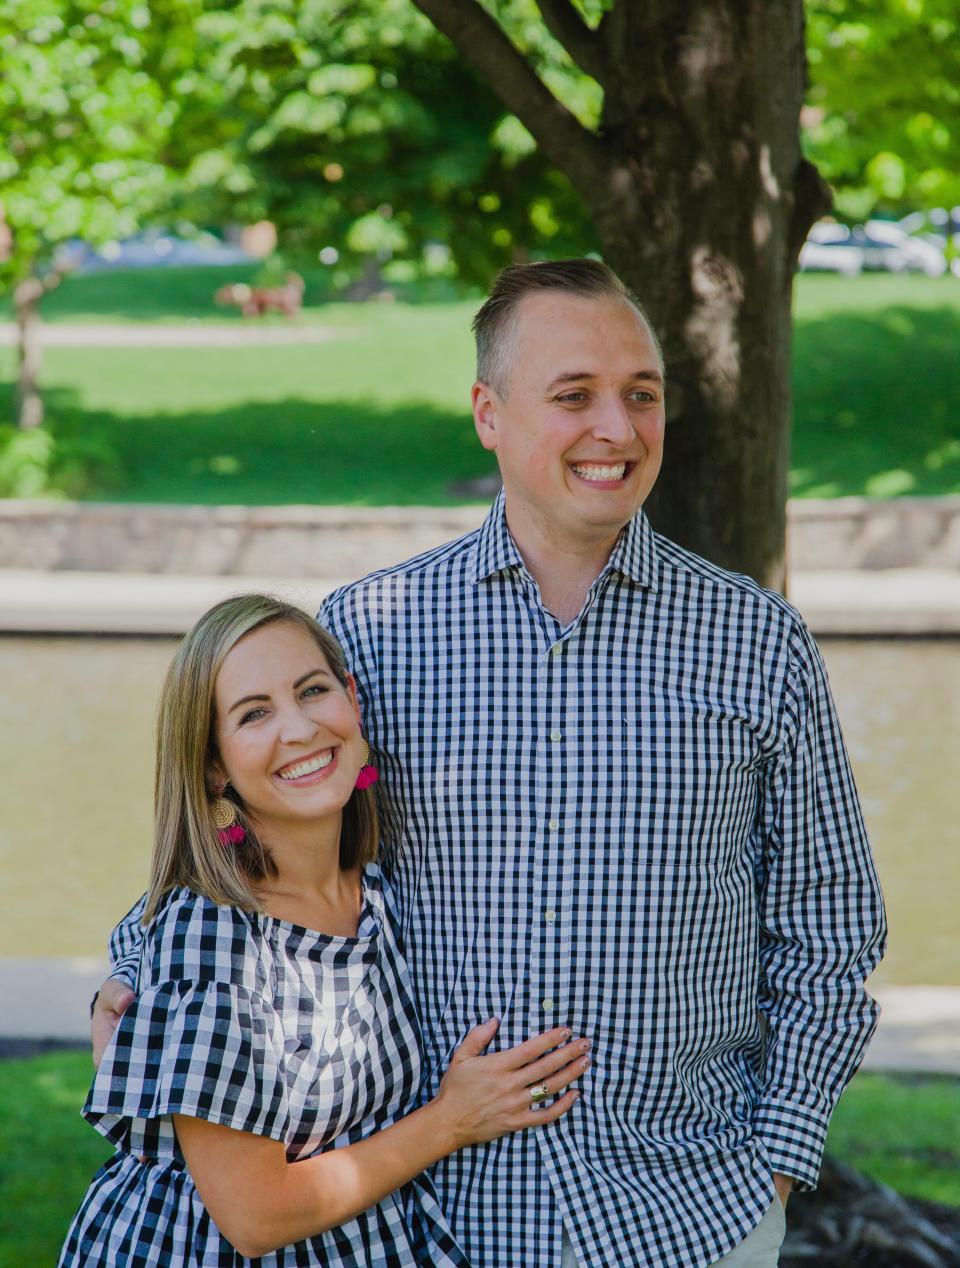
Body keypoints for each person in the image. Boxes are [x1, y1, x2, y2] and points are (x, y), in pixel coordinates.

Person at [95, 260, 886, 1267]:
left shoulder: (756, 642)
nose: (618, 427)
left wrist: (775, 1161)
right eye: (573, 395)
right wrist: (128, 973)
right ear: (488, 413)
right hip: (438, 1221)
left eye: (641, 394)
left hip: (690, 1220)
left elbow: (828, 927)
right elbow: (259, 834)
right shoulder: (373, 634)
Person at [65, 595, 589, 1266]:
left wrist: (128, 964)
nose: (300, 728)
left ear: (351, 698)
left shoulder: (374, 888)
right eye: (254, 714)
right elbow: (255, 1216)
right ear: (214, 765)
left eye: (312, 691)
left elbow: (150, 918)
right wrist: (451, 1121)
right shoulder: (218, 934)